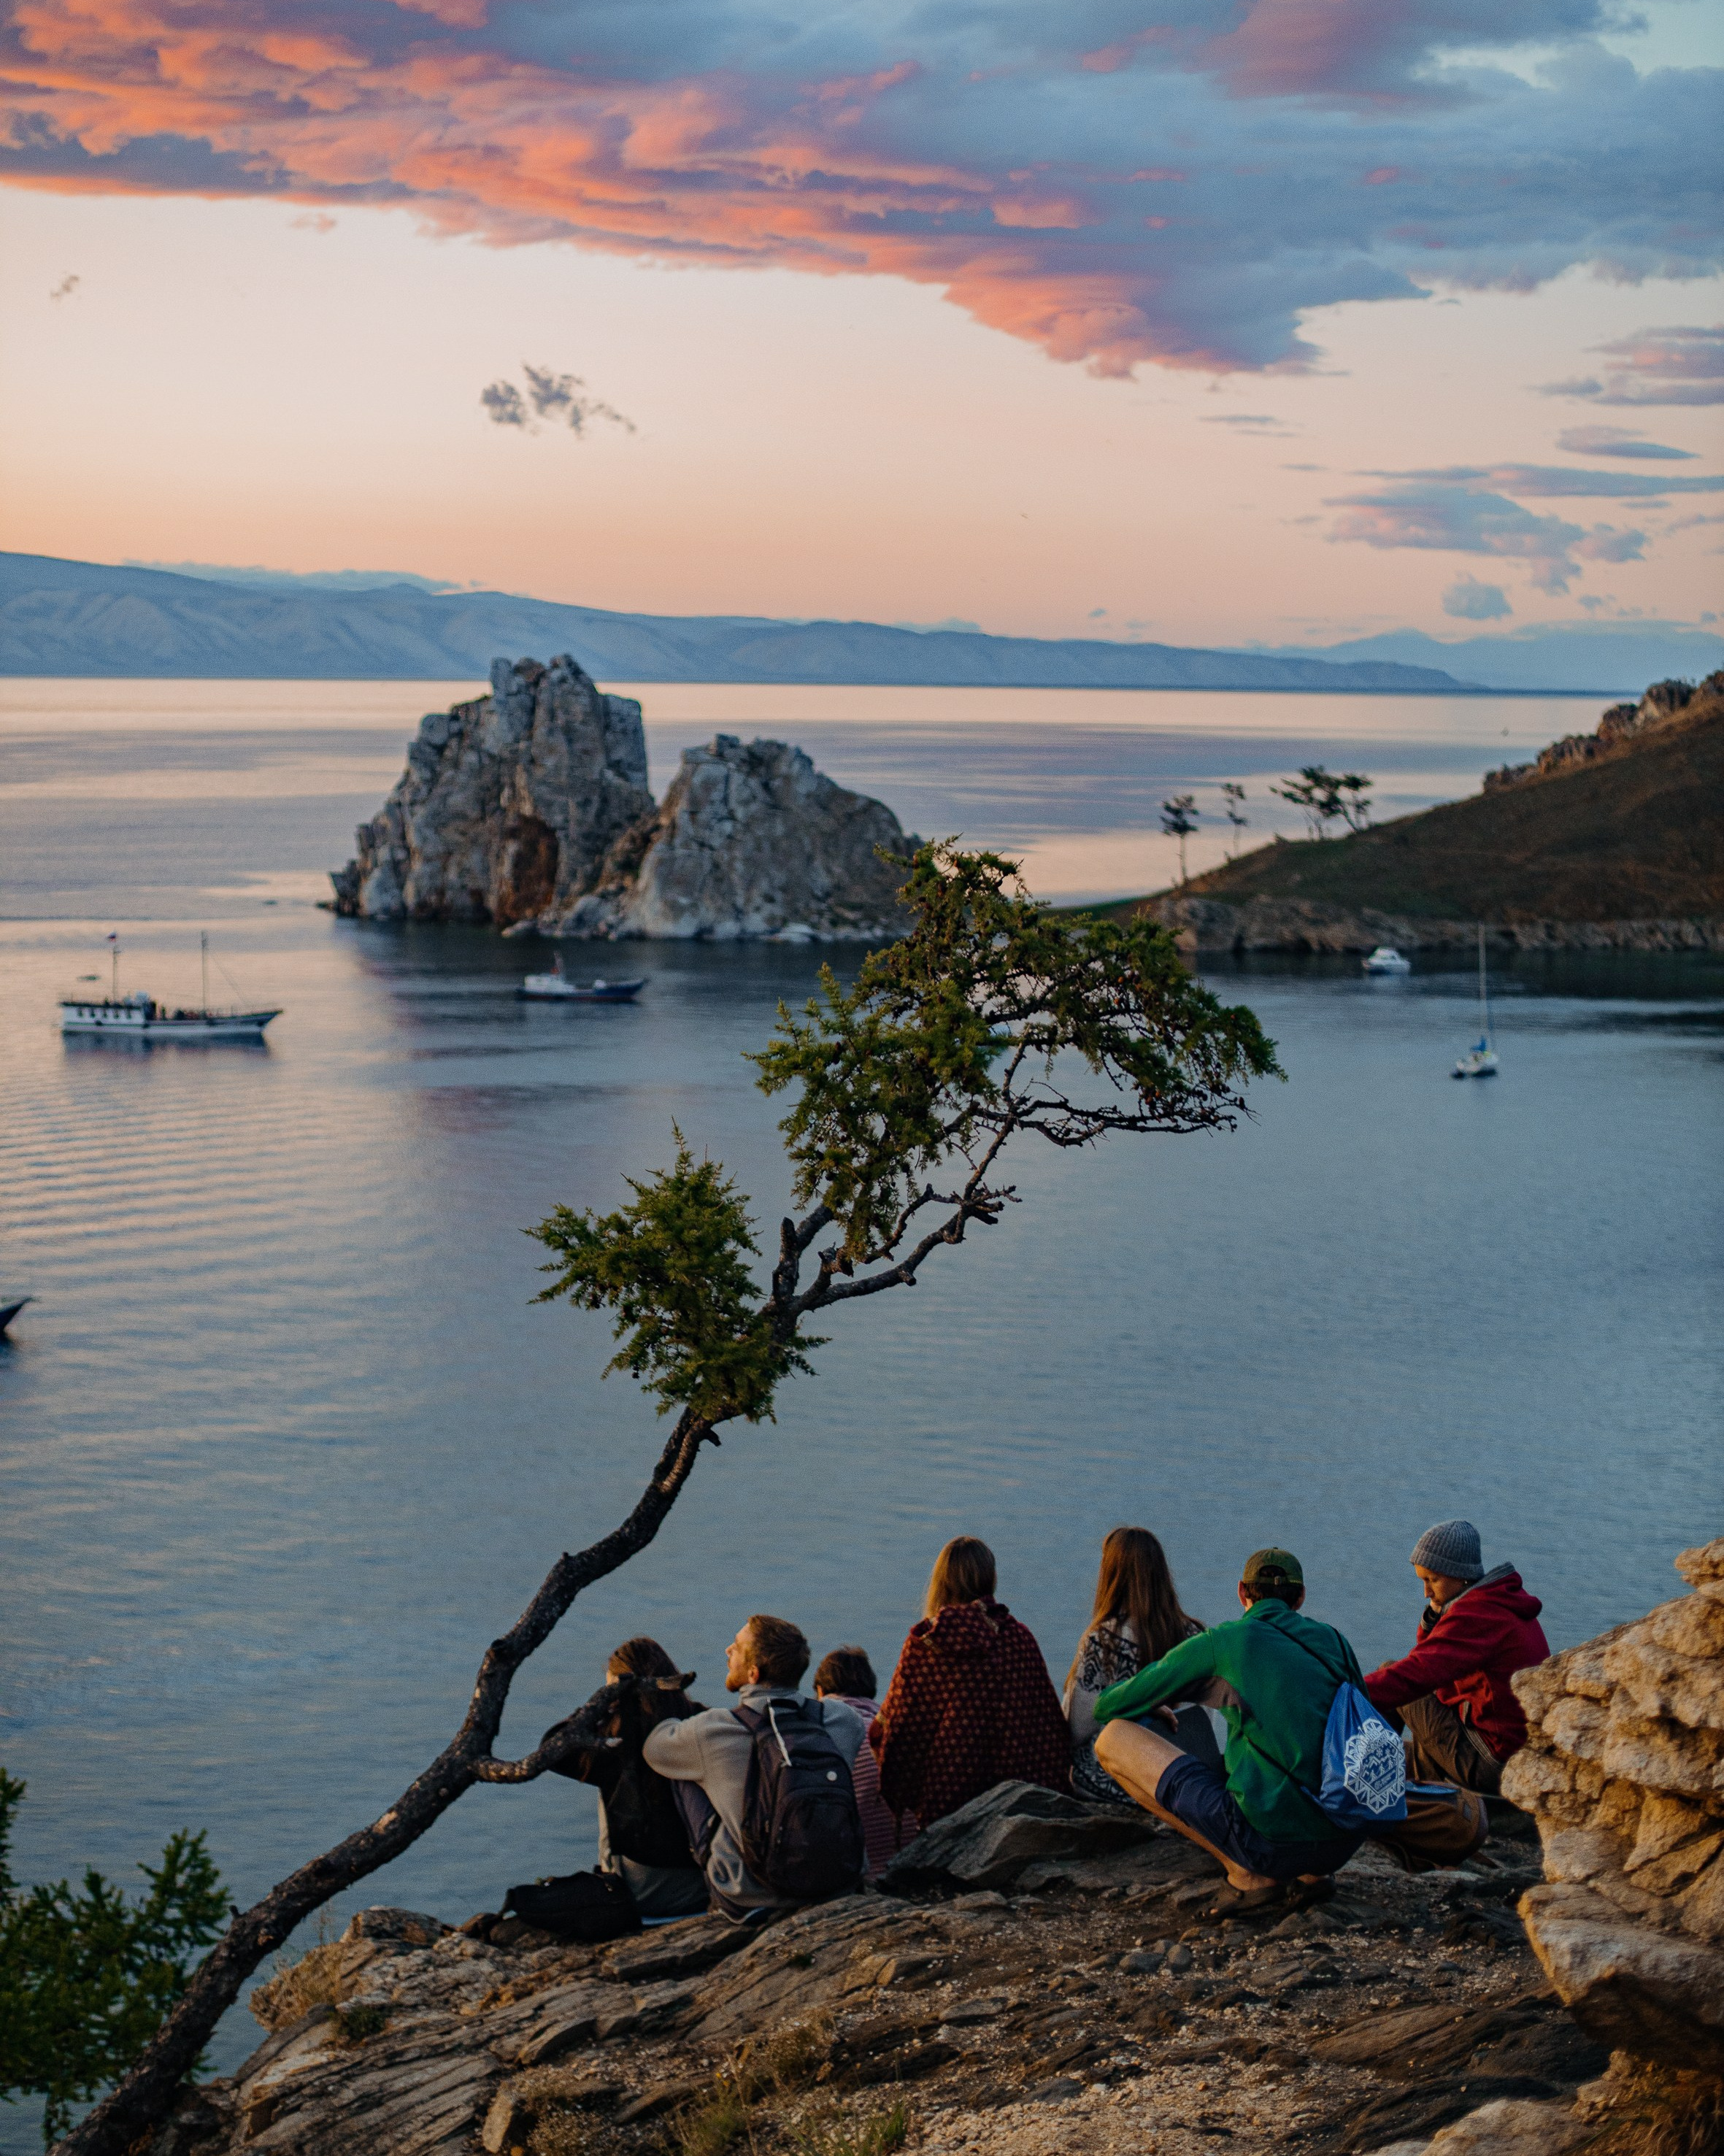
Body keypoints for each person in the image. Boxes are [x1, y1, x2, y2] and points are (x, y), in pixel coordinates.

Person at [1091, 1547, 1368, 1903]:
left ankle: (1244, 1871)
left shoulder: (1224, 1641)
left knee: (1112, 1738)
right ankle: (1313, 1875)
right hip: (1342, 1842)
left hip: (1269, 1845)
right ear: (1300, 1597)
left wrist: (1153, 1702)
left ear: (1242, 1592)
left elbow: (1107, 1706)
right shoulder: (1336, 1642)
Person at [643, 1614, 866, 1920]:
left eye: (735, 1647)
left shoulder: (711, 1731)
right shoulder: (844, 1719)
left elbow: (654, 1749)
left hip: (752, 1895)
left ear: (753, 1673)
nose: (727, 1650)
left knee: (682, 1772)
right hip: (838, 1882)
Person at [871, 1536, 1070, 1829]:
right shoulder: (1019, 1638)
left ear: (941, 1581)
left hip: (945, 1801)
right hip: (1019, 1803)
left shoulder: (925, 1644)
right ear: (991, 1578)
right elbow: (1047, 1724)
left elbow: (900, 1727)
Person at [1363, 1520, 1550, 1793]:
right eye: (1423, 1581)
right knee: (1418, 1691)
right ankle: (1407, 1777)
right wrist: (1434, 1617)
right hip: (1516, 1755)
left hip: (1491, 1763)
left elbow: (1419, 1672)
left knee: (1393, 1678)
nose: (1426, 1592)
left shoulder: (1478, 1615)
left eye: (1433, 1580)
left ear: (1460, 1575)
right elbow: (1434, 1663)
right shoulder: (1498, 1602)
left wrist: (1348, 1691)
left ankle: (1363, 1779)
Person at [539, 1635, 708, 1919]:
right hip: (704, 1885)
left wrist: (597, 1707)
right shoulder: (700, 1723)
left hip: (638, 1894)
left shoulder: (614, 1743)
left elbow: (551, 1748)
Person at [1064, 1526, 1211, 1806]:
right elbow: (1202, 1721)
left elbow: (1078, 1728)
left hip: (1115, 1785)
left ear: (1111, 1575)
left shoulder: (1102, 1639)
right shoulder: (1196, 1637)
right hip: (1177, 1785)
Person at [815, 1645, 916, 1875]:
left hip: (858, 1870)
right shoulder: (892, 1732)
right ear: (870, 1690)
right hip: (910, 1861)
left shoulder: (817, 1733)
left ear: (820, 1691)